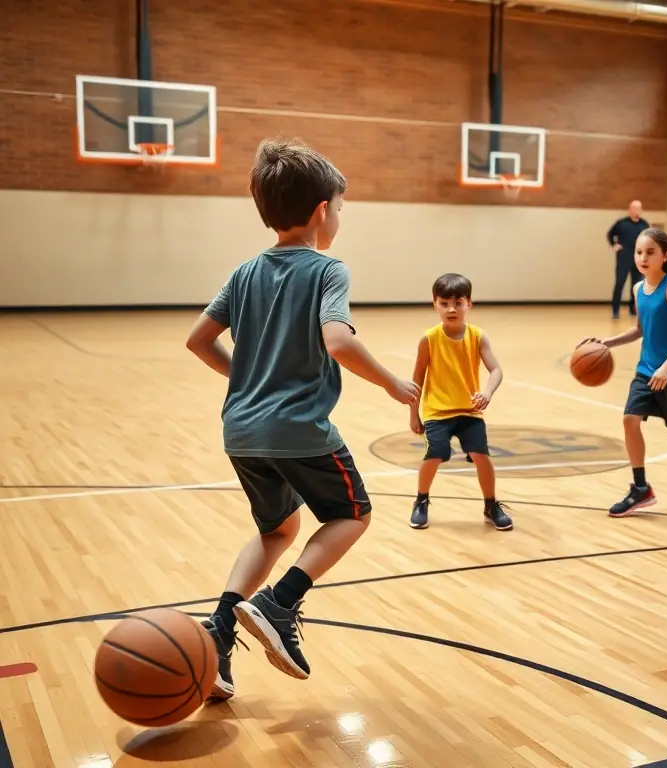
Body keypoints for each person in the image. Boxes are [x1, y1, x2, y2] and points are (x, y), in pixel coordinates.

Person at [185, 138, 419, 698]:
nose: (339, 217)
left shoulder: (245, 273)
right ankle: (279, 601)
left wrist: (247, 382)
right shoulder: (327, 270)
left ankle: (218, 635)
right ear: (322, 212)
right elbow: (336, 339)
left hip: (241, 431)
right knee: (352, 514)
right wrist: (392, 382)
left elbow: (198, 341)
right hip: (298, 430)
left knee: (277, 530)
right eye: (340, 207)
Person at [580, 227, 667, 516]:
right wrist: (608, 343)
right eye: (639, 252)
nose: (643, 257)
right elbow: (640, 330)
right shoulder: (637, 289)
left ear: (665, 256)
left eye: (650, 252)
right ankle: (641, 487)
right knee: (630, 420)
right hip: (645, 371)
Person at [408, 273, 512, 531]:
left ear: (469, 304)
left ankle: (490, 504)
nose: (451, 309)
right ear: (435, 304)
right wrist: (414, 414)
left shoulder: (478, 336)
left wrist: (487, 392)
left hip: (469, 411)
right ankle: (421, 500)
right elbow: (417, 380)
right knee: (435, 455)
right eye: (444, 303)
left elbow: (496, 370)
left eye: (458, 302)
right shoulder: (429, 339)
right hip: (436, 412)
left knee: (481, 456)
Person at [607, 200, 649, 319]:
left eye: (639, 208)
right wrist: (614, 245)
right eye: (634, 208)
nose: (637, 211)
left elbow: (648, 239)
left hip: (639, 259)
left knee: (636, 286)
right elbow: (610, 234)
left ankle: (633, 309)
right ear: (630, 209)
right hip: (624, 258)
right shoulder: (621, 223)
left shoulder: (644, 224)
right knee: (620, 283)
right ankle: (615, 310)